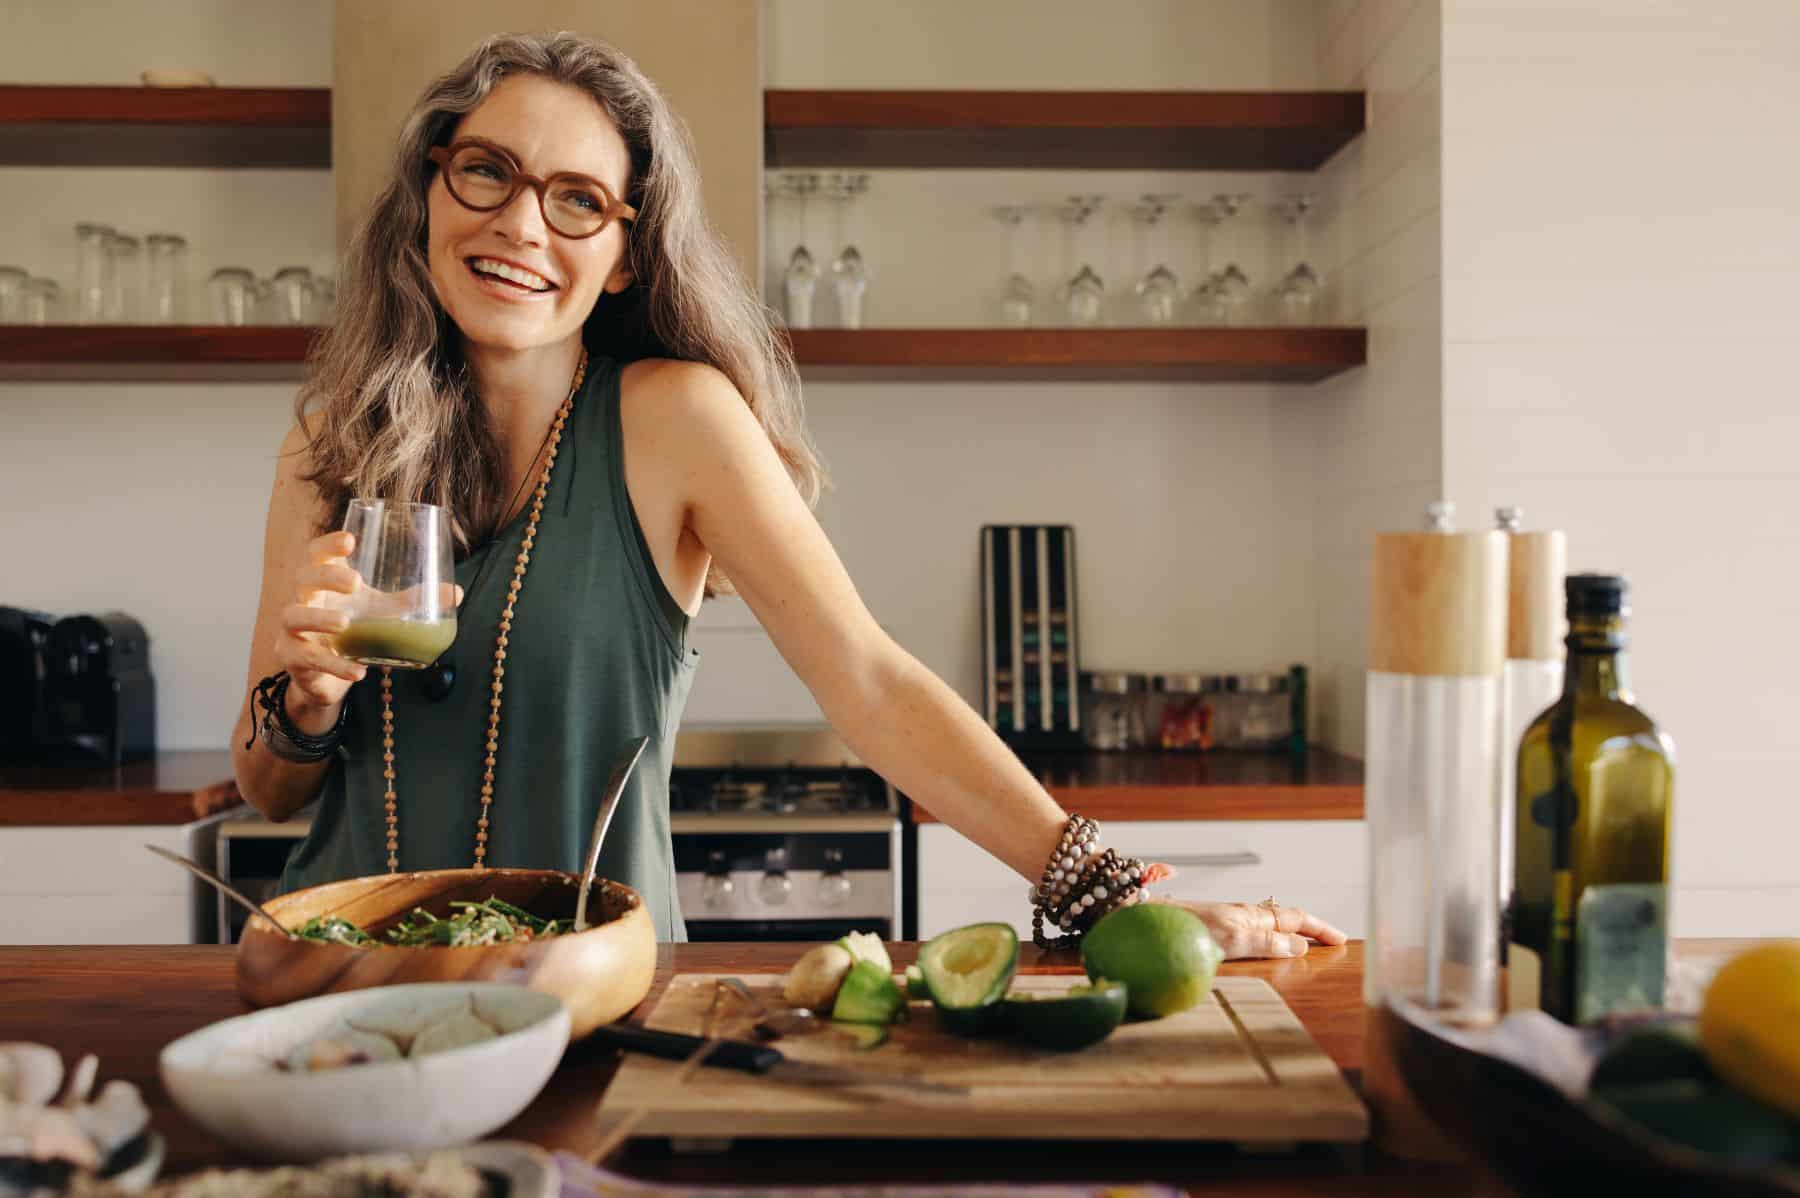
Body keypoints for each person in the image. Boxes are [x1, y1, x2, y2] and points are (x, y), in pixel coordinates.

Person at [230, 30, 1346, 957]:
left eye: (577, 199)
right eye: (488, 171)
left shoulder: (675, 419)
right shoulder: (331, 439)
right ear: (433, 185)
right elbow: (269, 784)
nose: (521, 224)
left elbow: (869, 680)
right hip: (336, 982)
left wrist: (1105, 889)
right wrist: (304, 702)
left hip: (588, 989)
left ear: (623, 254)